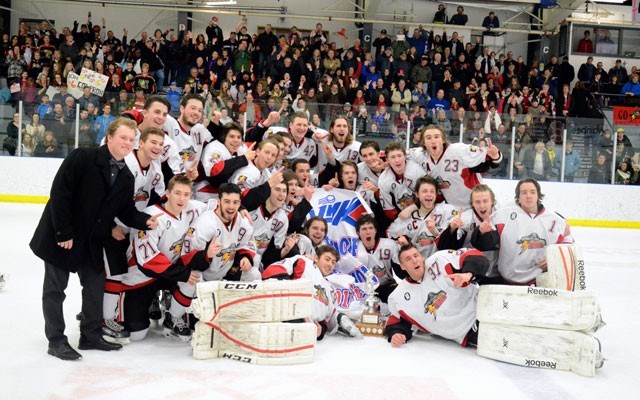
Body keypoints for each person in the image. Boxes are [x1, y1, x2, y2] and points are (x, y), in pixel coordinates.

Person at [29, 117, 162, 361]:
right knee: (55, 289)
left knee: (94, 286)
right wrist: (63, 233)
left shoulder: (126, 177)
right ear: (109, 137)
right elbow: (60, 194)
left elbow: (125, 210)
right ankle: (56, 340)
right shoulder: (83, 157)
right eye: (123, 137)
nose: (127, 143)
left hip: (91, 240)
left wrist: (144, 221)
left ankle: (90, 335)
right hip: (63, 236)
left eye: (131, 140)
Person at [120, 176, 204, 341]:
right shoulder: (151, 216)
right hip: (142, 276)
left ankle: (173, 316)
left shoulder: (193, 209)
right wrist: (182, 274)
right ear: (167, 193)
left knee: (195, 278)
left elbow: (217, 206)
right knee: (136, 334)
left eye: (186, 194)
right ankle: (139, 303)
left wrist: (242, 207)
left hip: (169, 272)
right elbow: (148, 261)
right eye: (177, 193)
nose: (182, 199)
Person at [385, 245, 489, 347]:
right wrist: (396, 333)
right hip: (469, 332)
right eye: (408, 259)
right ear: (402, 266)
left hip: (483, 307)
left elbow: (475, 255)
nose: (414, 260)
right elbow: (397, 320)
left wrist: (468, 274)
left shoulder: (439, 260)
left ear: (421, 257)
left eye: (416, 256)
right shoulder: (398, 296)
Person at [471, 178, 570, 285]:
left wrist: (554, 258)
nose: (528, 196)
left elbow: (568, 246)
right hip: (505, 281)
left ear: (538, 195)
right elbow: (484, 245)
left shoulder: (555, 220)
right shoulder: (503, 216)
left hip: (538, 282)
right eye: (524, 192)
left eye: (532, 192)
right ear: (518, 197)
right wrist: (482, 233)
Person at [409, 125, 502, 209]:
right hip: (453, 209)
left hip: (478, 204)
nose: (433, 141)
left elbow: (489, 162)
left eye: (437, 137)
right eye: (428, 138)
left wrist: (495, 156)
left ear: (443, 140)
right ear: (424, 143)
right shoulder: (420, 155)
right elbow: (399, 155)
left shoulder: (459, 151)